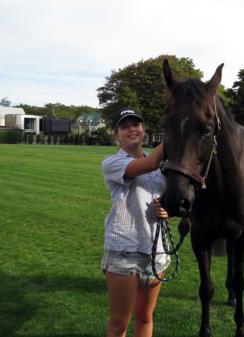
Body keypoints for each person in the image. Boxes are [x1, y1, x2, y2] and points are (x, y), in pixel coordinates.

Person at [100, 107, 170, 337]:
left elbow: (164, 197)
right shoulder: (111, 163)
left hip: (155, 249)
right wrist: (175, 134)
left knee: (145, 317)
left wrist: (166, 210)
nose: (132, 129)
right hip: (123, 249)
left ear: (144, 129)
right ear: (115, 134)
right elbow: (147, 165)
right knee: (119, 323)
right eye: (125, 126)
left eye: (136, 124)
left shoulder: (162, 167)